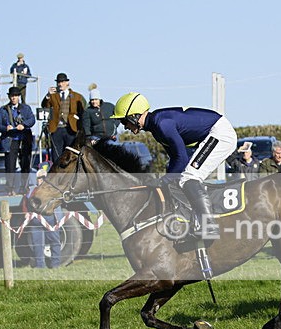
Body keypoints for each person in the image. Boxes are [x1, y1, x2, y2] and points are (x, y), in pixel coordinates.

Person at [110, 92, 237, 238]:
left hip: (220, 133)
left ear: (134, 116)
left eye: (124, 122)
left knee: (190, 177)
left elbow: (182, 159)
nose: (125, 127)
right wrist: (166, 181)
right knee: (182, 178)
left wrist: (163, 180)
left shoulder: (161, 124)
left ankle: (209, 226)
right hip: (213, 133)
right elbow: (176, 159)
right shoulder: (156, 127)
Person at [0, 86, 36, 195]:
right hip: (10, 141)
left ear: (19, 97)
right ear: (9, 97)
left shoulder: (26, 108)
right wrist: (5, 128)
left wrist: (24, 125)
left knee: (25, 165)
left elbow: (32, 119)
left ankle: (24, 187)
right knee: (10, 166)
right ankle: (10, 188)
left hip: (24, 140)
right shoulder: (3, 110)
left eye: (16, 96)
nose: (13, 98)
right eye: (12, 96)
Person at [41, 72, 85, 162]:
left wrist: (80, 126)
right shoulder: (52, 96)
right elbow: (44, 107)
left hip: (71, 129)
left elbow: (83, 112)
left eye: (62, 82)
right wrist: (47, 96)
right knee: (56, 155)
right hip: (56, 129)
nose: (60, 84)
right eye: (59, 82)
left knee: (71, 155)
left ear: (67, 83)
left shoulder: (77, 96)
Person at [28, 164, 61, 268]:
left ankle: (55, 265)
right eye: (39, 178)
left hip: (50, 218)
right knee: (37, 244)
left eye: (44, 177)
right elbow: (26, 202)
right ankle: (40, 266)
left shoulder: (53, 190)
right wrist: (26, 214)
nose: (42, 180)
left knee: (55, 242)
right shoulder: (32, 190)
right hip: (36, 220)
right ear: (36, 179)